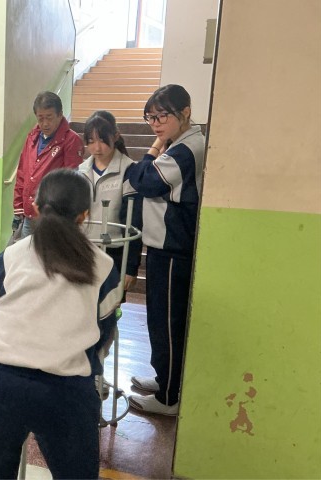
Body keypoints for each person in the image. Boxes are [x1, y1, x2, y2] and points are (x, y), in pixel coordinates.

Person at [0, 168, 122, 479]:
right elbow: (105, 328)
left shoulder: (9, 257)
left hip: (1, 381)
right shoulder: (103, 266)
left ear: (35, 208)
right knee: (76, 473)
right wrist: (87, 363)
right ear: (85, 215)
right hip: (65, 389)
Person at [125, 84, 206, 416]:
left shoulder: (187, 149)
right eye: (150, 118)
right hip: (164, 246)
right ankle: (165, 380)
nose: (155, 124)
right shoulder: (180, 144)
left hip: (174, 248)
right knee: (159, 320)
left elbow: (144, 180)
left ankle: (169, 398)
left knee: (168, 323)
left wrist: (152, 149)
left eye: (162, 117)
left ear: (185, 113)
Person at [79, 111, 143, 296]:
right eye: (91, 141)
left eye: (102, 140)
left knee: (109, 305)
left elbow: (134, 220)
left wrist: (131, 267)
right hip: (85, 249)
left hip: (115, 250)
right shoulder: (81, 170)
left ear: (115, 136)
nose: (96, 147)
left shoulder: (129, 170)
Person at [12, 91, 84, 239]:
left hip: (53, 218)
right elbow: (22, 173)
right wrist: (18, 207)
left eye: (49, 117)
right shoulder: (32, 137)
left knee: (50, 254)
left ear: (60, 115)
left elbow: (71, 182)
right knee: (26, 253)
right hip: (29, 215)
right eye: (40, 118)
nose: (45, 123)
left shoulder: (71, 140)